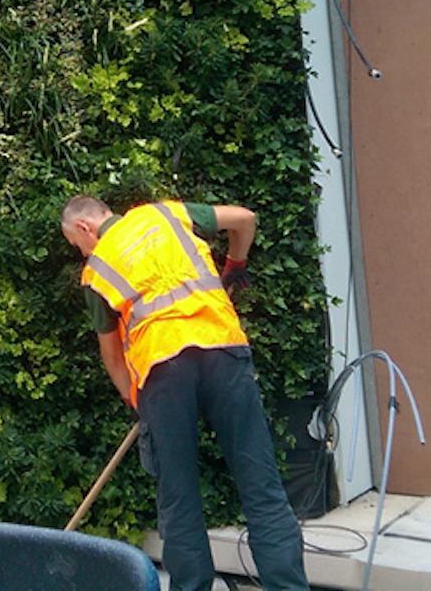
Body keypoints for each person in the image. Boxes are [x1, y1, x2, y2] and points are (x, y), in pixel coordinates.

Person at [61, 195, 309, 591]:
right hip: (223, 350)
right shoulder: (166, 213)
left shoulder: (98, 270)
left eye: (77, 245)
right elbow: (244, 219)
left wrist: (137, 402)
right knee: (261, 486)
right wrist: (235, 266)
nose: (82, 251)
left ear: (84, 228)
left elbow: (112, 358)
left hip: (162, 372)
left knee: (179, 499)